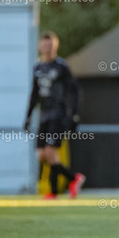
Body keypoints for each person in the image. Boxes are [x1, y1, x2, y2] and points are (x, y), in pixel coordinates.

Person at [24, 31, 85, 199]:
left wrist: (73, 115)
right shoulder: (38, 67)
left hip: (58, 115)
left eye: (50, 45)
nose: (47, 48)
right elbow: (34, 94)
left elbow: (74, 91)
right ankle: (74, 178)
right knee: (42, 154)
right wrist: (28, 116)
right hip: (44, 115)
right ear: (39, 47)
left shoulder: (61, 66)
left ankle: (53, 191)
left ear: (55, 46)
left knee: (51, 153)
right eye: (45, 44)